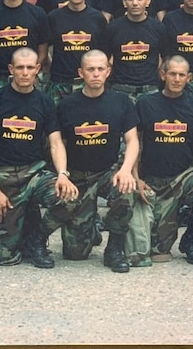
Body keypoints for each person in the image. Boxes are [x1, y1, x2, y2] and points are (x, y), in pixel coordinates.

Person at [0, 47, 79, 267]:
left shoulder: (45, 102)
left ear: (38, 69)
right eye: (20, 67)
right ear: (11, 69)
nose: (25, 73)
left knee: (68, 197)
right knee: (2, 257)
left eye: (30, 68)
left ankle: (36, 240)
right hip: (1, 176)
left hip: (33, 173)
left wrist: (62, 175)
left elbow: (56, 142)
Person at [44, 50, 140, 272]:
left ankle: (114, 249)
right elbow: (58, 144)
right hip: (78, 178)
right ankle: (89, 228)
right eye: (90, 69)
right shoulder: (67, 105)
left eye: (100, 69)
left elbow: (133, 140)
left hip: (107, 172)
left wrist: (125, 170)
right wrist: (62, 174)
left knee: (125, 190)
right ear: (81, 73)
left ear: (108, 72)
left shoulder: (121, 101)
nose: (95, 74)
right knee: (75, 254)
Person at [135, 56, 193, 264]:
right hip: (153, 182)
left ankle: (191, 239)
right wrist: (136, 178)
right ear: (162, 74)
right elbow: (134, 145)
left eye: (182, 75)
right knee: (158, 254)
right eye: (172, 74)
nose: (176, 79)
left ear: (189, 78)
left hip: (184, 178)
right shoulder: (145, 104)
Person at [45, 0, 108, 104]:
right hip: (59, 84)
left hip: (87, 84)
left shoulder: (97, 18)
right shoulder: (54, 17)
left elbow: (104, 51)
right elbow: (45, 48)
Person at [102, 0, 166, 101]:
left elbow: (165, 58)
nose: (135, 3)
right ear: (124, 2)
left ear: (148, 1)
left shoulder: (158, 28)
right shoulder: (113, 28)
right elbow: (105, 58)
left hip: (150, 90)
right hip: (119, 90)